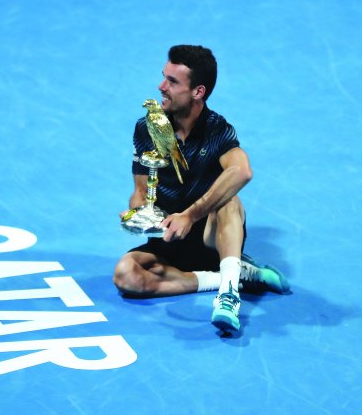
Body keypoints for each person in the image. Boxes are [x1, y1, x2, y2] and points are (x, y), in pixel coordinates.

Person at [113, 44, 289, 333]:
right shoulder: (147, 128)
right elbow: (142, 191)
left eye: (172, 81)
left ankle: (228, 295)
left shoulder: (217, 130)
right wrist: (139, 215)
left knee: (231, 202)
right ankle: (231, 276)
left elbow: (242, 171)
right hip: (168, 240)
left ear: (198, 92)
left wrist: (190, 215)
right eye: (163, 77)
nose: (161, 87)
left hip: (211, 238)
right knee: (126, 276)